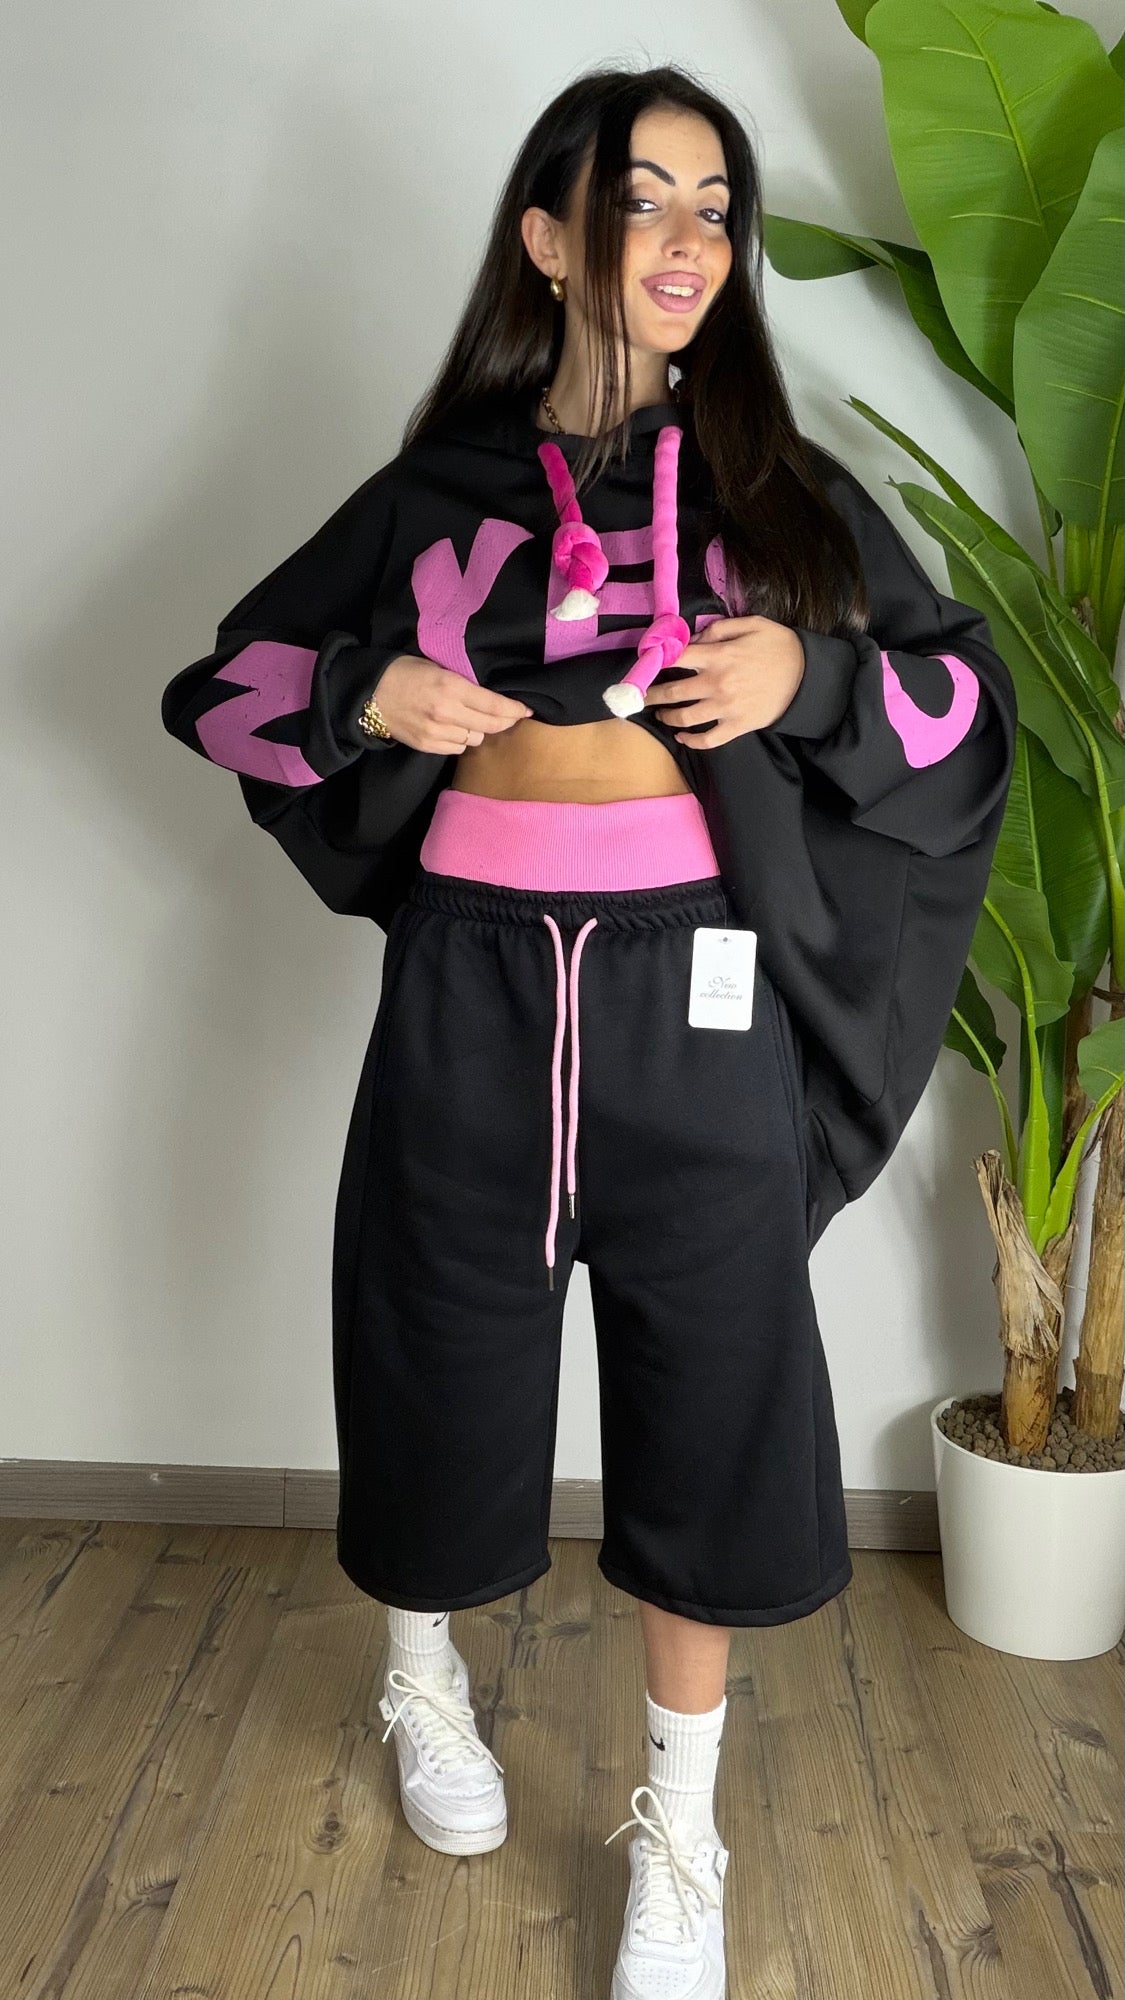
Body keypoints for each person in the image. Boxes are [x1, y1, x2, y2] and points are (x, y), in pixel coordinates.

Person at [162, 62, 1017, 2000]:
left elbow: (963, 721)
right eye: (644, 198)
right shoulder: (435, 492)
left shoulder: (781, 500)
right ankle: (420, 1680)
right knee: (431, 1336)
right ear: (547, 238)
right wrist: (369, 690)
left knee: (708, 1381)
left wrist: (809, 675)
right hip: (466, 979)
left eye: (716, 203)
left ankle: (680, 1830)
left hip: (688, 991)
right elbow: (219, 693)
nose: (690, 236)